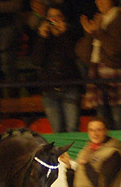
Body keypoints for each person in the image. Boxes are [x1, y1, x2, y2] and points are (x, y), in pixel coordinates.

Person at [76, 0, 121, 130]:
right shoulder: (99, 20)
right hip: (97, 73)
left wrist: (98, 31)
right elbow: (83, 54)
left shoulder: (120, 19)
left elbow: (114, 49)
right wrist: (90, 33)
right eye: (97, 1)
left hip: (114, 72)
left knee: (119, 117)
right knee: (102, 119)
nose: (99, 3)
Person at [32, 4, 82, 132]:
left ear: (63, 18)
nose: (53, 20)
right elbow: (36, 61)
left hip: (69, 87)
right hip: (49, 90)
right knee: (57, 130)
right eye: (50, 17)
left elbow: (73, 56)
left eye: (57, 17)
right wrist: (42, 37)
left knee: (72, 128)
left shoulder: (71, 34)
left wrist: (63, 34)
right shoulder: (42, 37)